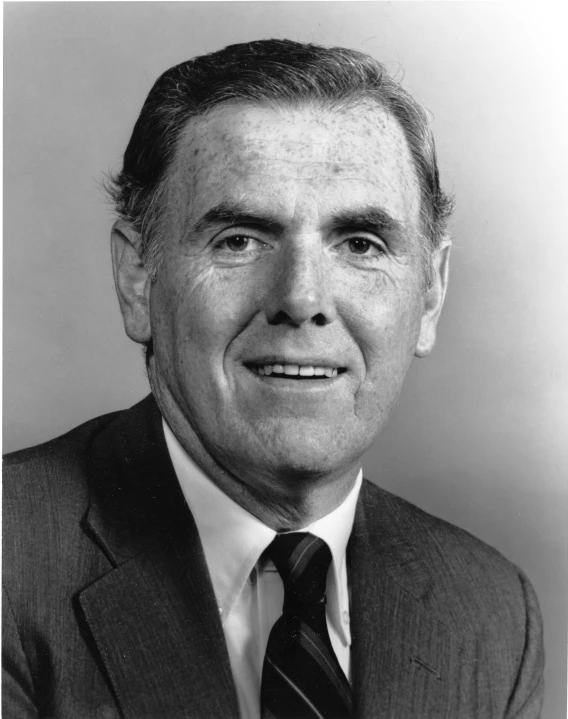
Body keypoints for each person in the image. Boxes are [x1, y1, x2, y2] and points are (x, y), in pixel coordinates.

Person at [2, 39, 544, 719]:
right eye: (240, 238)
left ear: (430, 294)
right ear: (138, 278)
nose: (302, 296)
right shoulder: (9, 559)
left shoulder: (491, 615)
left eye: (360, 243)